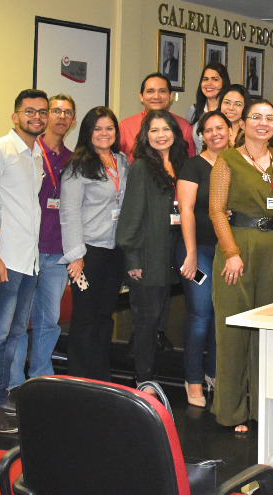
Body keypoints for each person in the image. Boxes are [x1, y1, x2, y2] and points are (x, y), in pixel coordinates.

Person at [209, 100, 273, 432]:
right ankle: (231, 411)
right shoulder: (227, 159)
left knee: (269, 330)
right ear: (243, 124)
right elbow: (217, 210)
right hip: (238, 246)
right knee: (233, 328)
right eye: (256, 117)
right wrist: (231, 251)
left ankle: (264, 407)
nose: (263, 123)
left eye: (269, 118)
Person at [0, 89, 48, 433]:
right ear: (15, 115)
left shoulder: (36, 154)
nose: (37, 117)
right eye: (29, 111)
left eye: (42, 112)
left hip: (28, 260)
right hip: (4, 260)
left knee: (16, 333)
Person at [8, 94, 76, 392]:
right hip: (25, 252)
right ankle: (14, 383)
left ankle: (41, 378)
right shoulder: (28, 153)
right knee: (19, 323)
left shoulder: (74, 160)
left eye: (68, 113)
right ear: (45, 116)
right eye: (55, 111)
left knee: (49, 320)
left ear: (73, 121)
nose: (61, 117)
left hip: (57, 253)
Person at [116, 110, 188, 389]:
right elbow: (131, 214)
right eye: (154, 130)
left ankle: (148, 372)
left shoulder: (181, 164)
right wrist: (132, 258)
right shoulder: (142, 167)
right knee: (146, 319)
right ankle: (142, 379)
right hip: (148, 253)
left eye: (166, 129)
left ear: (175, 132)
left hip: (174, 249)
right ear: (146, 136)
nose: (161, 135)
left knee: (159, 317)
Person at [59, 106, 129, 382]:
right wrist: (75, 256)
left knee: (104, 316)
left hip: (115, 251)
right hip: (88, 252)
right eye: (97, 128)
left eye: (109, 128)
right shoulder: (78, 165)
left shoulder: (121, 161)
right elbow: (69, 212)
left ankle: (100, 376)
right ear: (87, 132)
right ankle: (80, 379)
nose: (104, 133)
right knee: (86, 319)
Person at [176, 110, 229, 407]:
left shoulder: (238, 163)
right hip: (196, 250)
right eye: (208, 130)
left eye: (220, 128)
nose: (215, 134)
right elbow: (186, 211)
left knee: (221, 314)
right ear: (201, 136)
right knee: (200, 314)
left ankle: (214, 374)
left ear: (231, 131)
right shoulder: (193, 166)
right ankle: (193, 380)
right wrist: (191, 254)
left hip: (228, 251)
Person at [118, 73, 196, 162]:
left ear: (171, 96)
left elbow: (190, 164)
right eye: (150, 91)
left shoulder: (184, 127)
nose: (156, 96)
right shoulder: (125, 127)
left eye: (162, 91)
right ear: (141, 97)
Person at [185, 63, 231, 153]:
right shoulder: (193, 111)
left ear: (224, 82)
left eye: (215, 79)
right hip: (199, 164)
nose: (209, 83)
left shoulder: (229, 111)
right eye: (205, 79)